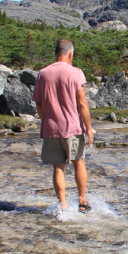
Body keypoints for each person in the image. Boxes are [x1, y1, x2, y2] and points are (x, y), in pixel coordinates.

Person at [32, 39, 95, 213]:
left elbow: (39, 104)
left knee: (58, 168)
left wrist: (47, 120)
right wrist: (89, 128)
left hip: (51, 128)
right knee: (79, 163)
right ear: (70, 54)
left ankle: (63, 204)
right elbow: (82, 103)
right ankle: (82, 202)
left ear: (55, 53)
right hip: (72, 128)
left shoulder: (42, 74)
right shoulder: (75, 73)